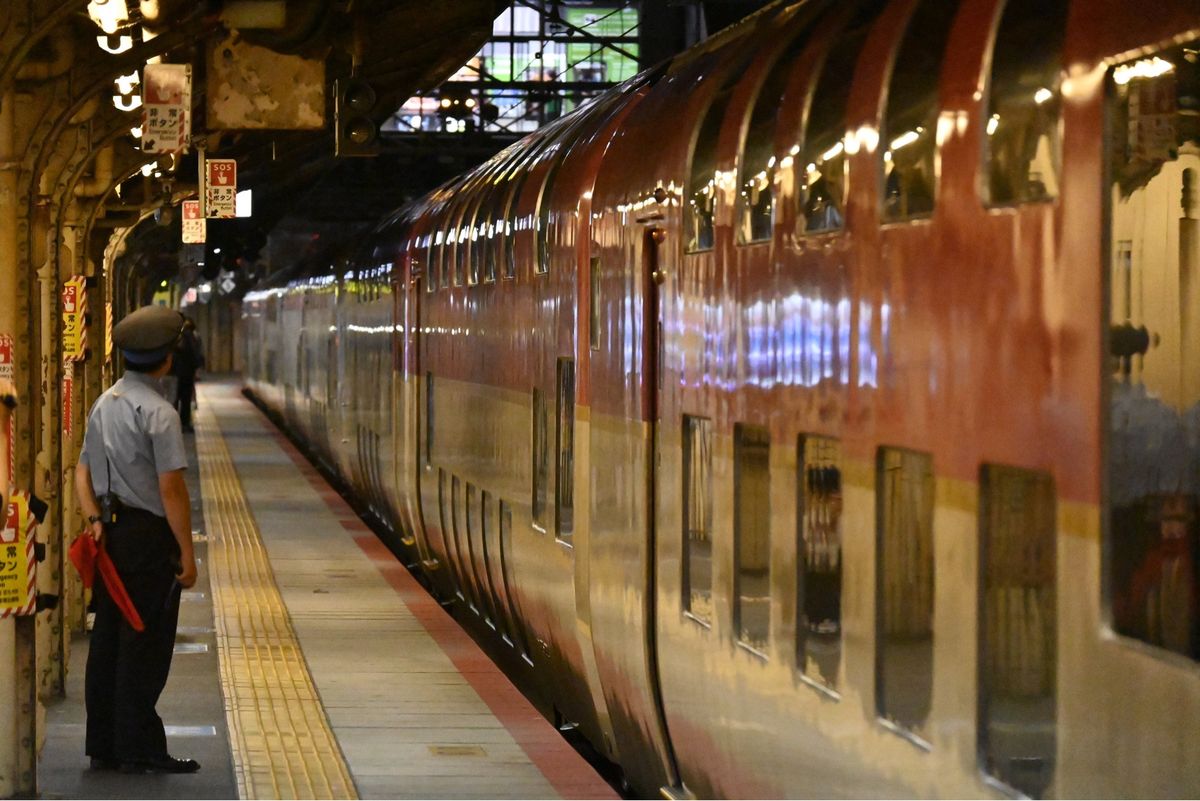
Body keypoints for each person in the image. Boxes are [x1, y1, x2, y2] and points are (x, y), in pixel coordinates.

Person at [73, 305, 199, 774]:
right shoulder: (161, 414)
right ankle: (140, 746)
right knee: (144, 645)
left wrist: (93, 518)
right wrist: (187, 554)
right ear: (166, 359)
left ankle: (104, 743)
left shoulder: (104, 403)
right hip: (148, 541)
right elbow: (171, 490)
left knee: (108, 641)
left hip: (110, 536)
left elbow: (82, 472)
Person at [169, 317, 203, 432]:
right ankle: (184, 423)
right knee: (185, 399)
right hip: (186, 373)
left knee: (175, 398)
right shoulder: (189, 336)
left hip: (178, 372)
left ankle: (175, 422)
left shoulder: (178, 336)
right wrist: (197, 366)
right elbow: (194, 354)